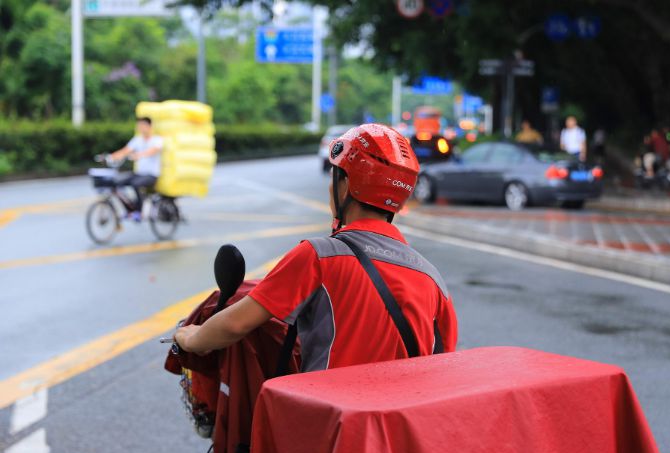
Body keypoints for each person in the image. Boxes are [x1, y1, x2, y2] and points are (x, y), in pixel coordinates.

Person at [174, 123, 458, 369]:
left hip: (331, 426)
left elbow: (236, 324)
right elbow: (442, 361)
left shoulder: (319, 256)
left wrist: (191, 337)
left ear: (345, 187)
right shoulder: (433, 280)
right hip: (397, 429)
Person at [110, 117, 163, 219]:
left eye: (143, 125)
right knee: (117, 183)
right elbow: (125, 151)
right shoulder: (137, 140)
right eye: (139, 126)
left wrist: (139, 155)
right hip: (139, 173)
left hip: (152, 175)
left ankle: (139, 211)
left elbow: (153, 151)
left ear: (149, 126)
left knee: (136, 184)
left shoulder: (157, 140)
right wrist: (111, 156)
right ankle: (130, 209)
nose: (141, 128)